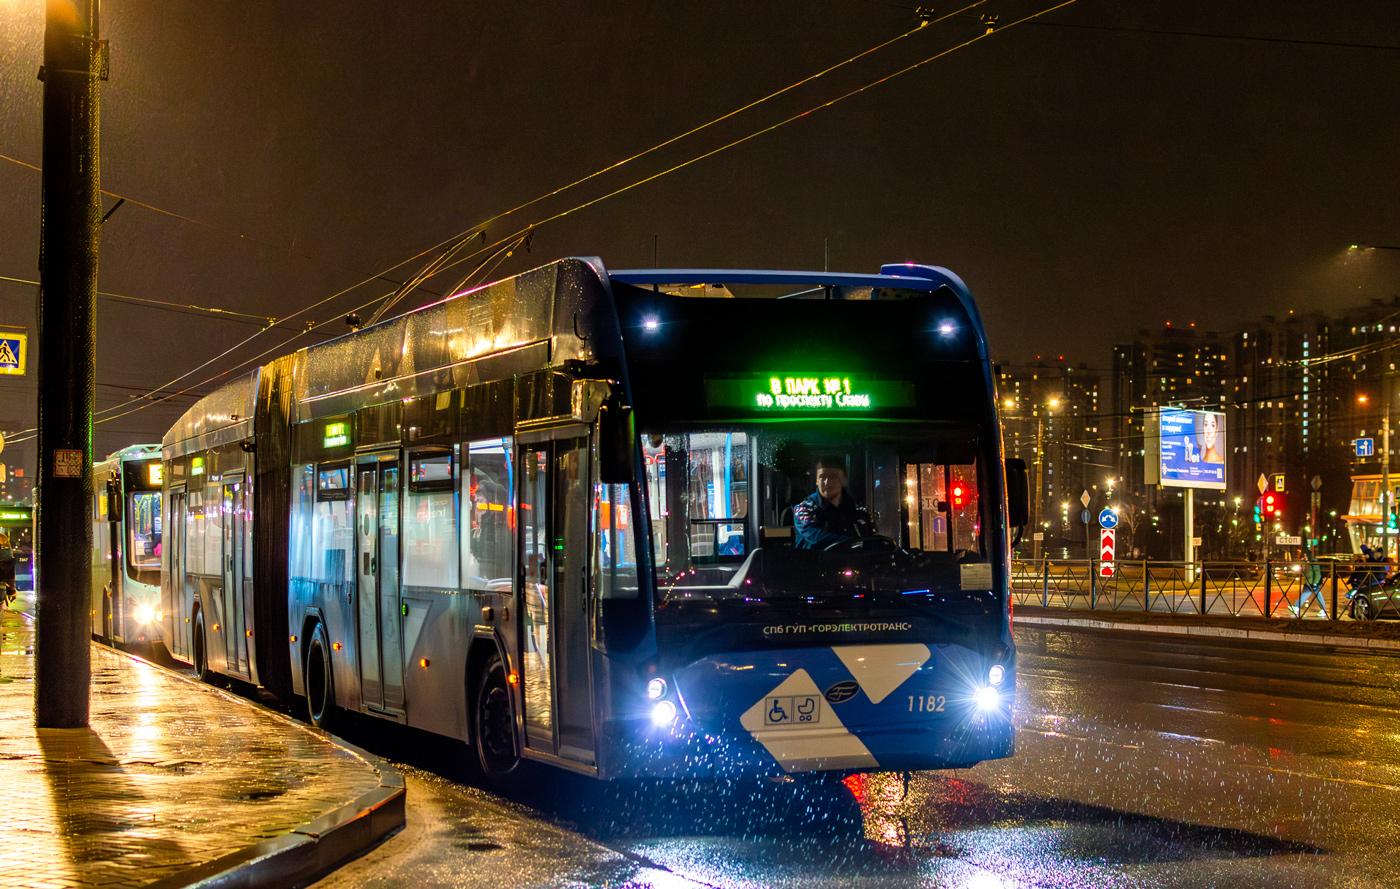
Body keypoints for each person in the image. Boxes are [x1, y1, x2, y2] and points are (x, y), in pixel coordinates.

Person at [793, 456, 875, 549]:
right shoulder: (803, 509)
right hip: (815, 562)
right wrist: (853, 544)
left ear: (844, 480)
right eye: (822, 477)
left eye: (833, 477)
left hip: (850, 561)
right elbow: (815, 537)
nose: (827, 482)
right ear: (816, 481)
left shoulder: (857, 511)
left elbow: (869, 539)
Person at [1293, 547, 1326, 619]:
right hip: (1309, 582)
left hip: (1312, 583)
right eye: (1304, 556)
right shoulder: (1307, 563)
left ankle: (1296, 607)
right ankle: (1323, 610)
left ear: (1309, 556)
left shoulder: (1313, 562)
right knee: (1318, 595)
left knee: (1306, 594)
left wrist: (1315, 583)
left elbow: (1317, 573)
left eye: (1306, 556)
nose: (1305, 557)